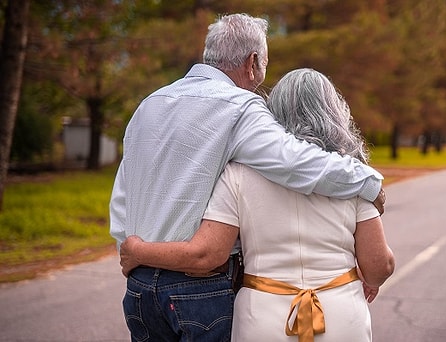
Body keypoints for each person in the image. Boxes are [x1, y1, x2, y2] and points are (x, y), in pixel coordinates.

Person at [109, 14, 385, 342]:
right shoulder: (242, 107)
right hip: (200, 289)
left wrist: (132, 251)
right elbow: (296, 163)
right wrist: (368, 181)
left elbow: (124, 193)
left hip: (140, 288)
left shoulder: (150, 105)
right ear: (253, 62)